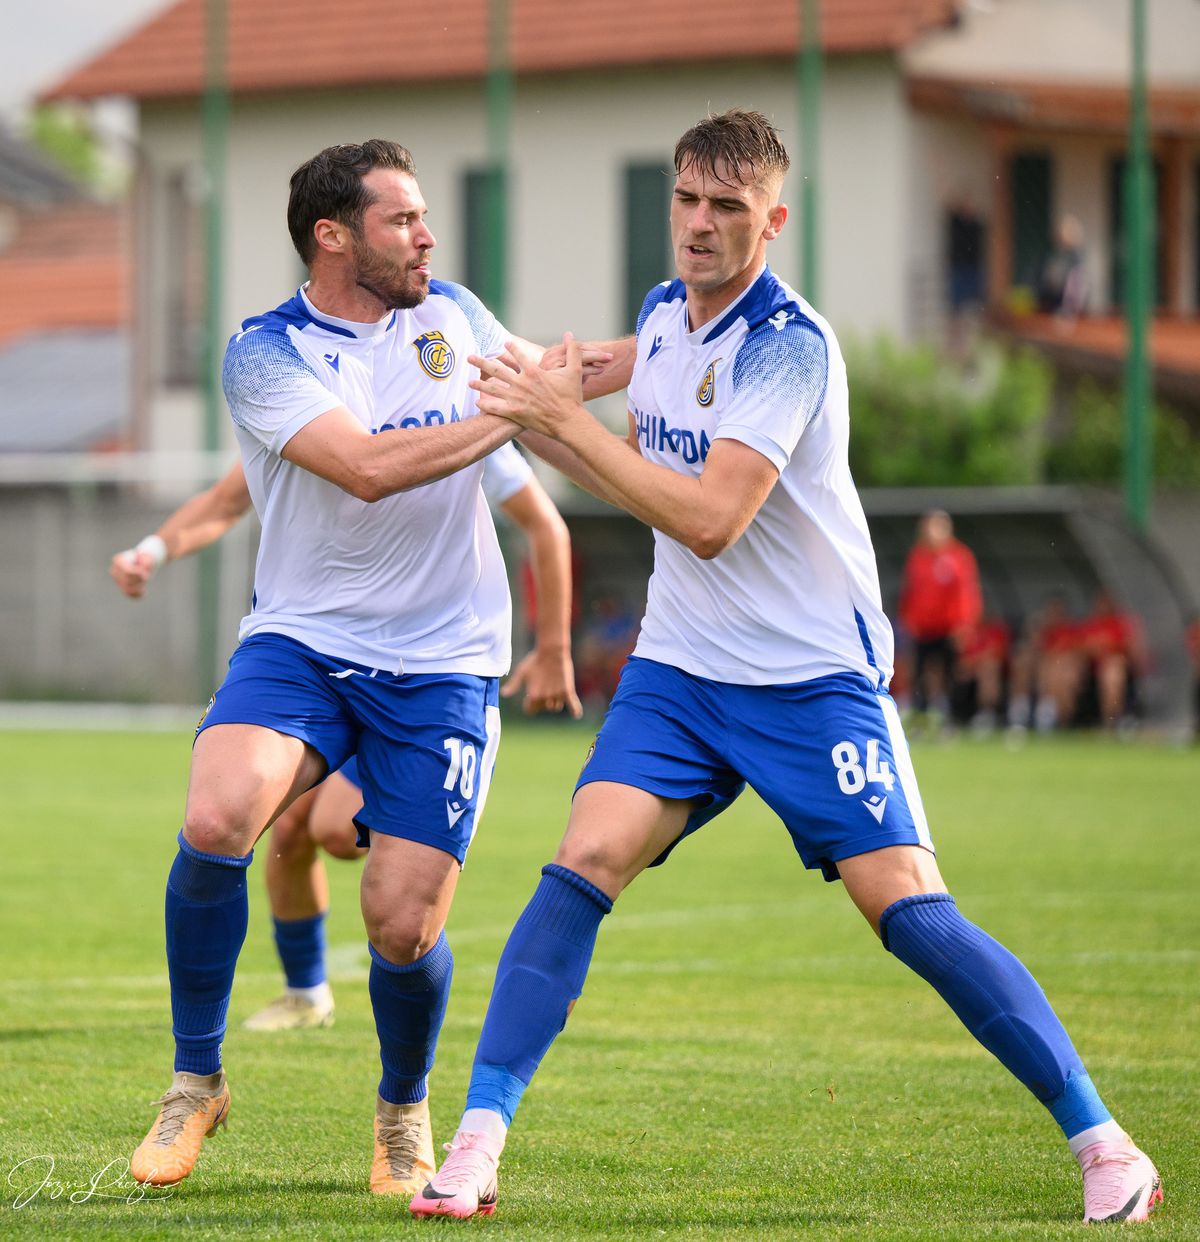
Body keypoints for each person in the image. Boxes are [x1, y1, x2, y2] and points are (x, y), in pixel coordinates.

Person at [408, 110, 1161, 1226]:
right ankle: (476, 1141)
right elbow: (565, 373)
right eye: (685, 200)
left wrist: (566, 421)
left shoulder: (788, 347)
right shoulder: (664, 317)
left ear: (775, 218)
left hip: (812, 681)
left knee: (903, 909)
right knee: (583, 858)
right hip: (681, 672)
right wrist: (458, 333)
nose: (699, 226)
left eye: (726, 207)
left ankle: (1105, 1144)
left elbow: (710, 519)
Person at [125, 137, 605, 1196]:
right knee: (216, 819)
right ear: (333, 235)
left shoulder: (456, 316)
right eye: (402, 220)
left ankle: (401, 1110)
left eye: (425, 217)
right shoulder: (264, 353)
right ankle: (195, 1080)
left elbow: (563, 377)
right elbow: (371, 471)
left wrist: (680, 344)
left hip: (441, 664)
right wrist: (512, 412)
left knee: (400, 922)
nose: (427, 235)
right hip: (302, 640)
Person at [110, 445, 581, 1032]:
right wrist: (151, 551)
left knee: (335, 832)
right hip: (318, 663)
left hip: (418, 674)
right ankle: (307, 994)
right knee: (280, 827)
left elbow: (545, 524)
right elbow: (225, 500)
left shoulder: (454, 411)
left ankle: (421, 851)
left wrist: (555, 647)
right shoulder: (304, 411)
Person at [897, 510, 982, 726]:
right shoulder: (917, 556)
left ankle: (951, 720)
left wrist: (964, 625)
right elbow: (910, 592)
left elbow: (966, 594)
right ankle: (920, 719)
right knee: (918, 675)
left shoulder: (959, 557)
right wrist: (908, 620)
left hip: (949, 629)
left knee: (952, 676)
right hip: (923, 629)